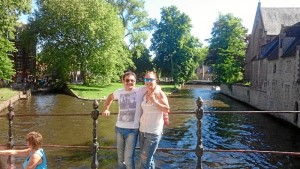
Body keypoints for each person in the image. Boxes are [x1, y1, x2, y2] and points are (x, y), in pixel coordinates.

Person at [102, 71, 160, 169]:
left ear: (135, 82)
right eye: (127, 80)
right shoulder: (119, 92)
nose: (130, 82)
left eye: (132, 80)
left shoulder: (140, 91)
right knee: (120, 158)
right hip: (119, 129)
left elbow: (155, 86)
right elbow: (110, 97)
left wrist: (156, 91)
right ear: (123, 81)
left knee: (128, 158)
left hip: (132, 131)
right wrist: (106, 109)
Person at [138, 71, 170, 169]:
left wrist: (155, 102)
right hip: (142, 130)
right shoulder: (144, 92)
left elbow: (167, 109)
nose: (148, 81)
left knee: (144, 159)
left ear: (156, 81)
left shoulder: (159, 93)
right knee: (148, 159)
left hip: (153, 131)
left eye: (151, 79)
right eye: (146, 79)